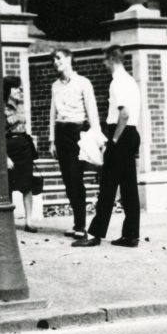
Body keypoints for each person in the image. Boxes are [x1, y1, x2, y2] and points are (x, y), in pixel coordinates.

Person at [74, 46, 142, 248]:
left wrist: (113, 140)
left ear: (112, 59)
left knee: (107, 186)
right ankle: (131, 235)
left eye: (105, 60)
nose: (103, 64)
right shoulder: (130, 81)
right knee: (129, 188)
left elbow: (124, 114)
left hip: (120, 135)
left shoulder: (117, 82)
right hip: (131, 135)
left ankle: (94, 234)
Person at [49, 47, 102, 239]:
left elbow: (92, 111)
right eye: (53, 59)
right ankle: (76, 222)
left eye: (59, 58)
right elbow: (52, 114)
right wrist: (52, 140)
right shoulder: (55, 86)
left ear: (70, 58)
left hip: (76, 132)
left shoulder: (83, 83)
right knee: (67, 179)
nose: (56, 62)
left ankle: (81, 224)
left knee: (75, 176)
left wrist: (97, 137)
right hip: (61, 132)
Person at [4, 76, 43, 233]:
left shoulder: (20, 105)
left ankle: (29, 221)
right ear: (8, 90)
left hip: (23, 146)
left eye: (20, 88)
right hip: (9, 146)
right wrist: (5, 157)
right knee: (7, 186)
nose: (20, 91)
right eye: (16, 88)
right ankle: (7, 222)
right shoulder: (1, 107)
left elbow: (23, 126)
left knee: (27, 184)